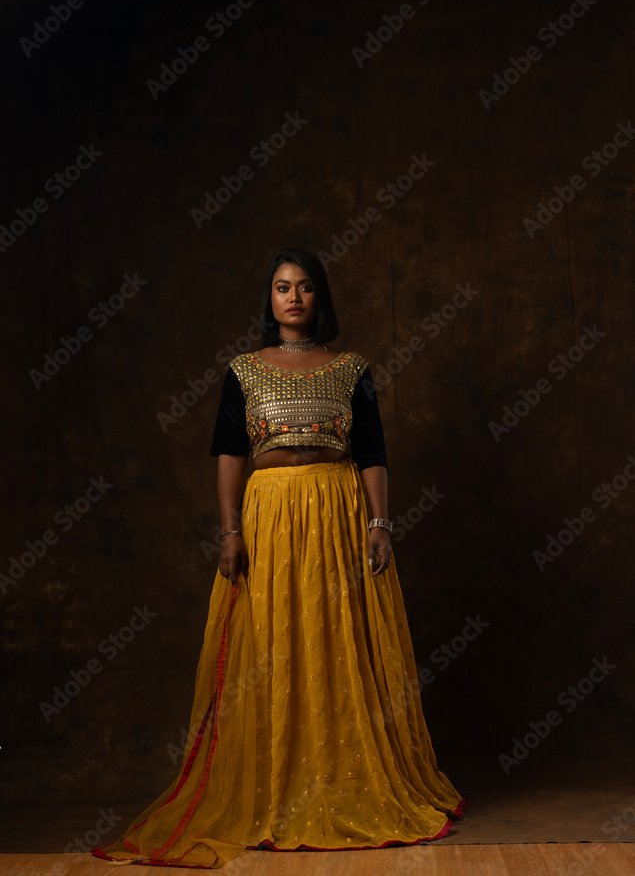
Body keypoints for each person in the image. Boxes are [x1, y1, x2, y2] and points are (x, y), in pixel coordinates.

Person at [94, 248, 464, 868]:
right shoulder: (243, 371)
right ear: (268, 300)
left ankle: (341, 777)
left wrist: (379, 523)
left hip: (336, 512)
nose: (293, 297)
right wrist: (229, 530)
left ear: (322, 297)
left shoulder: (352, 370)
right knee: (272, 642)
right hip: (270, 517)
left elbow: (372, 452)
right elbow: (229, 455)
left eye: (305, 287)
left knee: (337, 639)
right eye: (282, 287)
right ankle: (275, 786)